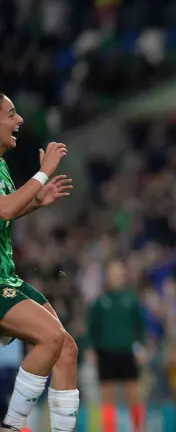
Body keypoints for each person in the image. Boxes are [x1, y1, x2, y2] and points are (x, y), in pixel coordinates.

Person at [0, 94, 78, 432]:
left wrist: (34, 204)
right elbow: (3, 209)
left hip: (7, 277)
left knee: (66, 348)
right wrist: (43, 174)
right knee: (49, 336)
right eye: (11, 114)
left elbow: (5, 213)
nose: (19, 121)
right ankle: (12, 425)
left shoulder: (1, 164)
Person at [85, 260, 147, 432]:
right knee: (108, 395)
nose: (116, 277)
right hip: (105, 353)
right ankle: (109, 429)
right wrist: (90, 349)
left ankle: (138, 427)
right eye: (113, 273)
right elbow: (92, 328)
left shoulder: (131, 300)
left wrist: (141, 348)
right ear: (108, 277)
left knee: (134, 394)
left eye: (119, 273)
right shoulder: (100, 302)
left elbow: (140, 327)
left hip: (127, 352)